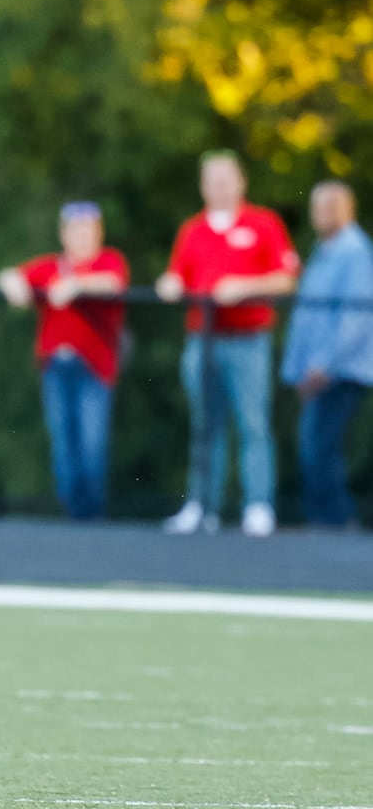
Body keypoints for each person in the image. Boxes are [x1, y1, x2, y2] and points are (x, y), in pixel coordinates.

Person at [156, 149, 299, 537]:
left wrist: (244, 287)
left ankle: (258, 505)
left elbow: (286, 278)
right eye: (212, 180)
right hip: (202, 341)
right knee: (205, 425)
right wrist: (170, 285)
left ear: (240, 182)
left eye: (226, 179)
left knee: (253, 423)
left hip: (248, 340)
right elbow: (176, 276)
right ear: (203, 186)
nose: (219, 187)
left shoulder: (264, 224)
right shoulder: (193, 230)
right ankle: (203, 505)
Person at [0, 201, 129, 520]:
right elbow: (11, 275)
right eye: (75, 230)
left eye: (88, 230)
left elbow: (113, 283)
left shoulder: (108, 262)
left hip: (94, 367)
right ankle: (72, 511)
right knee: (63, 442)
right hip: (56, 367)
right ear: (64, 234)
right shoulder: (51, 267)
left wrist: (76, 285)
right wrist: (15, 286)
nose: (82, 236)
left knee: (92, 443)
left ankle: (92, 513)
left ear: (99, 234)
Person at [280, 180, 373, 528]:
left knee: (322, 445)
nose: (317, 215)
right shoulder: (326, 250)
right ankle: (325, 519)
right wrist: (298, 367)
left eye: (324, 207)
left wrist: (324, 364)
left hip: (340, 371)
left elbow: (355, 316)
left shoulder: (354, 252)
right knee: (316, 444)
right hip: (317, 370)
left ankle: (335, 521)